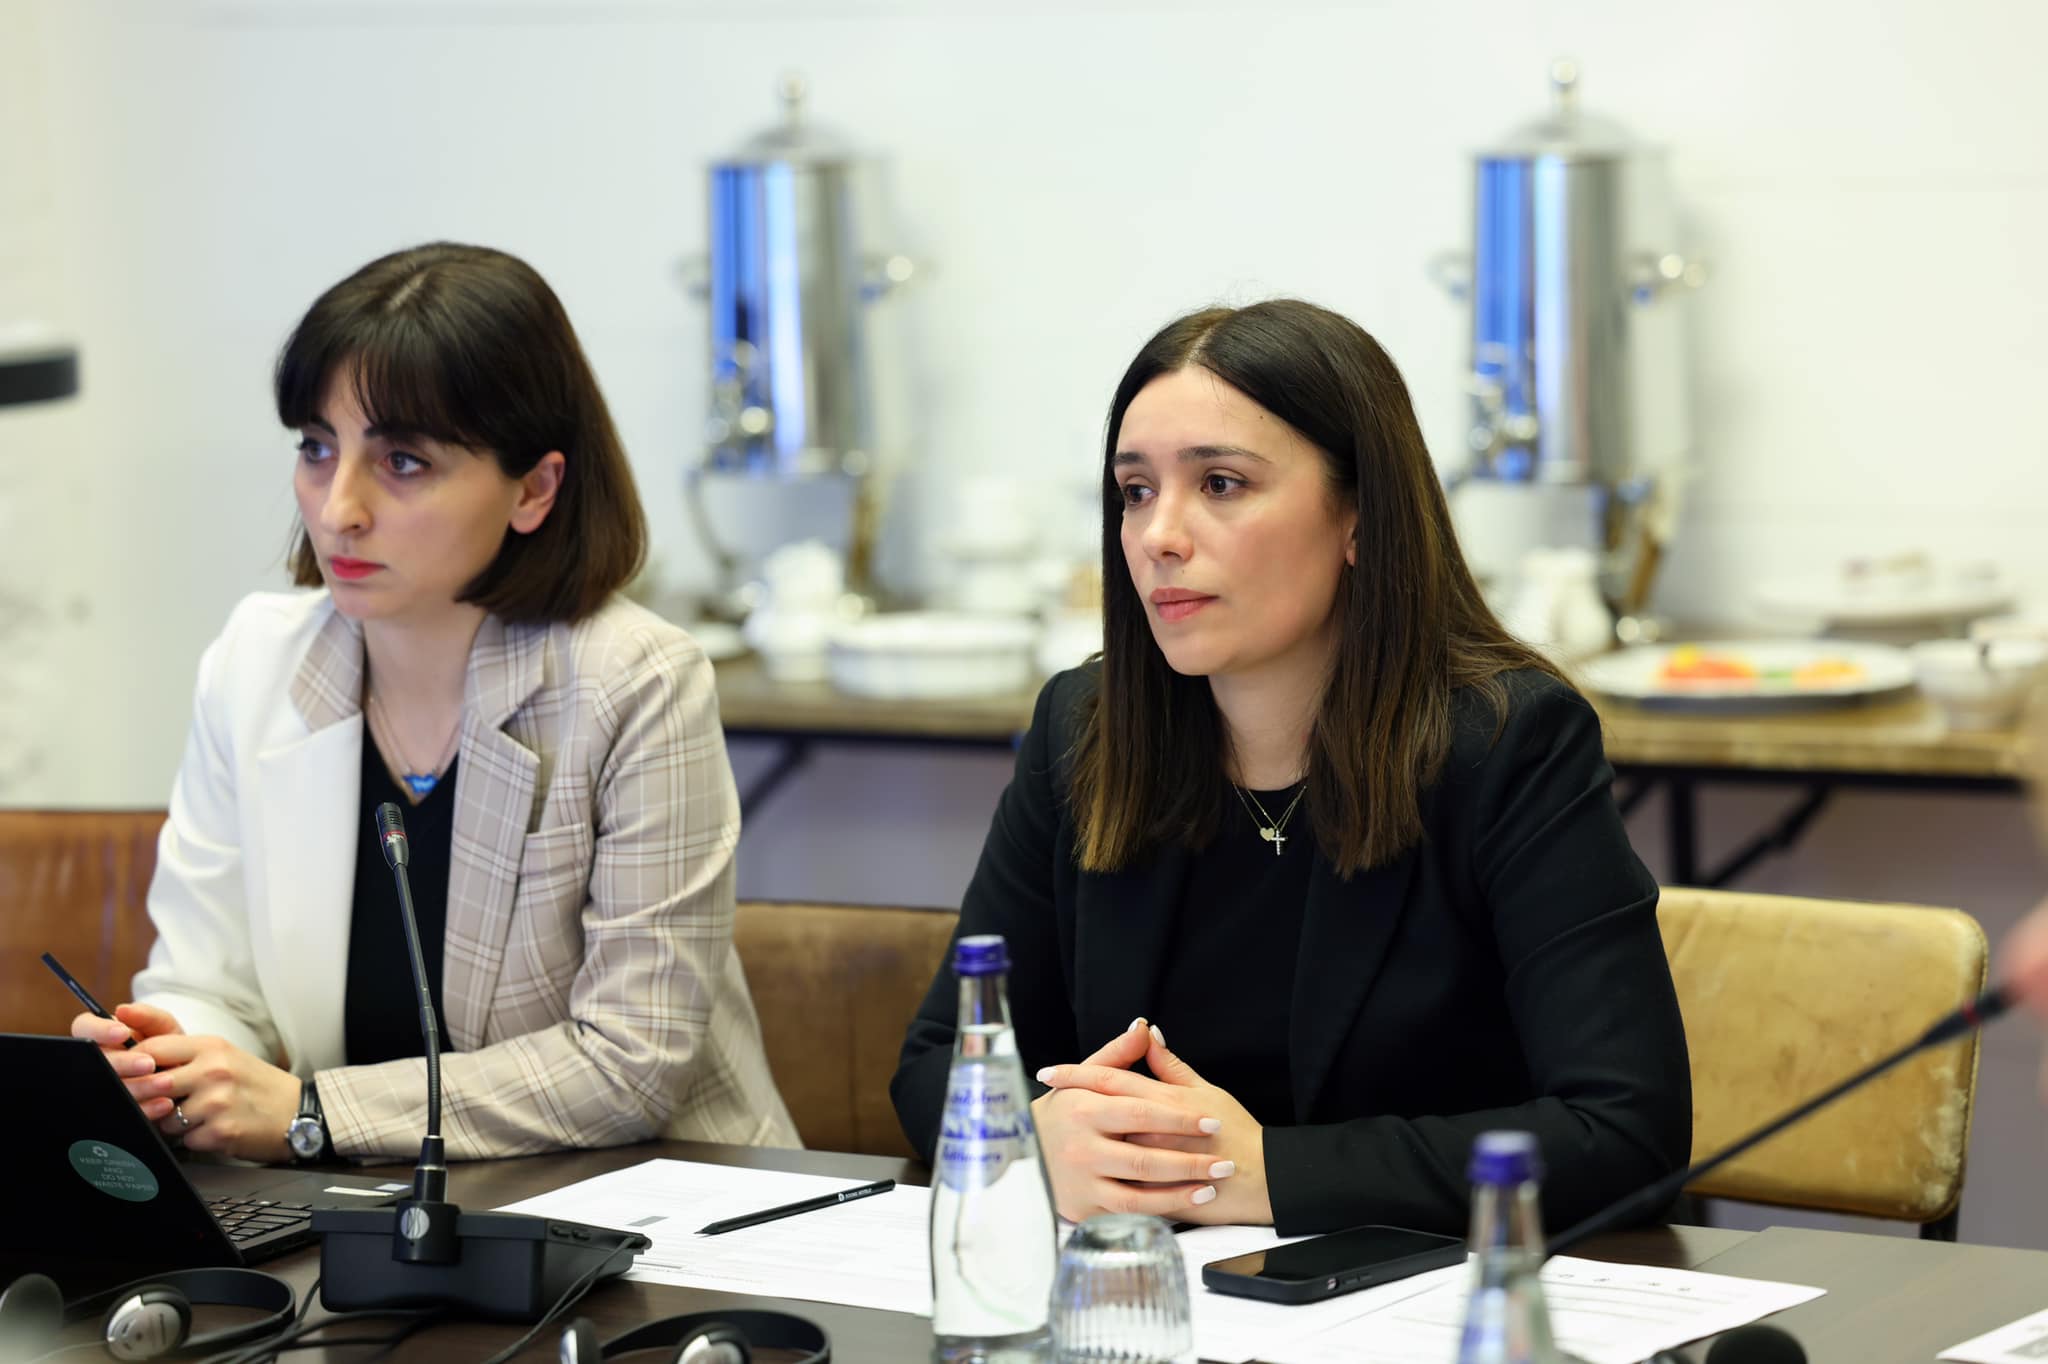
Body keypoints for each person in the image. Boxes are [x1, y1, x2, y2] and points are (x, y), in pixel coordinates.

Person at [890, 299, 1691, 1237]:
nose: (1159, 535)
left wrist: (1266, 1173)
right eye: (1136, 491)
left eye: (1221, 483)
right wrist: (1032, 1136)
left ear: (1359, 517)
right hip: (1147, 1289)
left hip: (1427, 1295)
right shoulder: (1086, 727)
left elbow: (1625, 1133)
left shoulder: (1511, 742)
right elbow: (939, 1059)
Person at [70, 243, 796, 1164]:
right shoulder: (255, 661)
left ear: (534, 488)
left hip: (654, 1206)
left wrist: (311, 1112)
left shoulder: (635, 680)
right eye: (316, 448)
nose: (338, 508)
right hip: (375, 1206)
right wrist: (173, 1058)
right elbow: (210, 985)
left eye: (403, 460)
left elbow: (630, 1061)